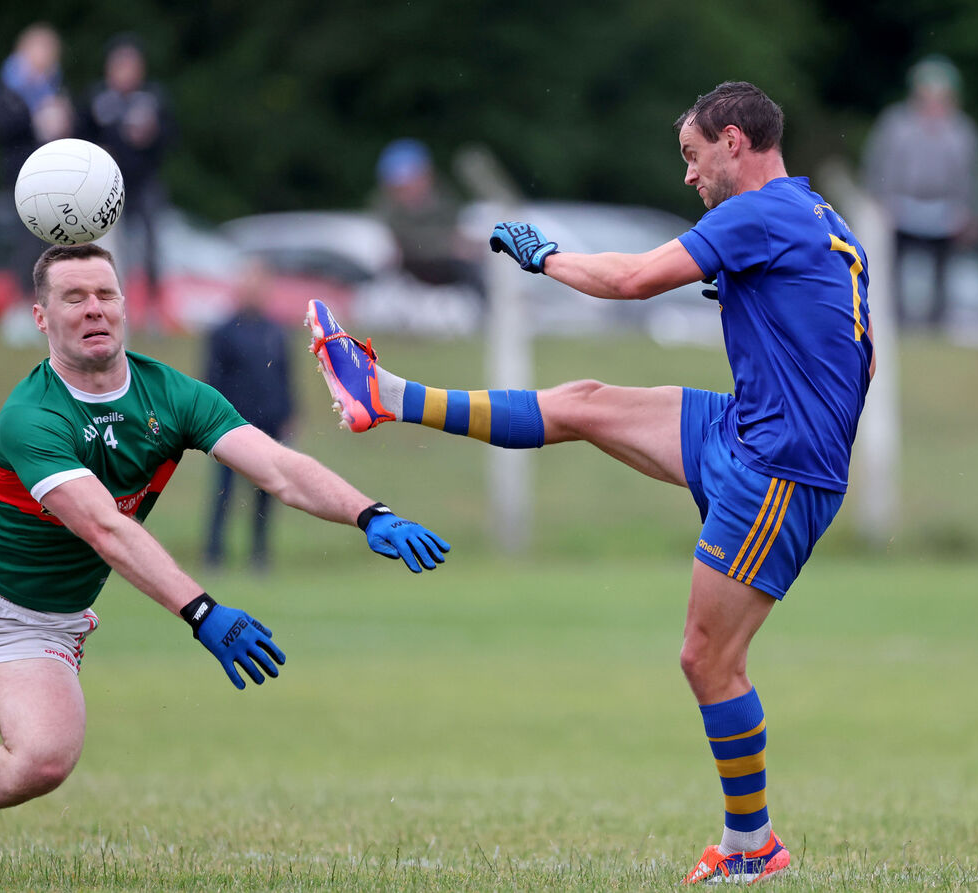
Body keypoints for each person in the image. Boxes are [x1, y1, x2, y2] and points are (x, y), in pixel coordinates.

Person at [306, 81, 874, 885]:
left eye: (691, 155)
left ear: (734, 143)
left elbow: (633, 279)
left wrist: (545, 255)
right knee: (584, 403)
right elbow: (859, 348)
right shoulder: (816, 215)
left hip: (779, 463)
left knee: (707, 660)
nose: (688, 177)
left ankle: (754, 843)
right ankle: (386, 397)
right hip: (751, 429)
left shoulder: (758, 212)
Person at [0, 243, 448, 821]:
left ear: (126, 304)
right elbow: (106, 529)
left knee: (43, 760)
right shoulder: (32, 414)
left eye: (105, 294)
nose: (93, 309)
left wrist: (369, 513)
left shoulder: (174, 396)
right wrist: (202, 612)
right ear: (41, 319)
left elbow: (277, 466)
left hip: (40, 622)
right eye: (73, 298)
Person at [862, 55, 978, 330]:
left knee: (943, 272)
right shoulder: (895, 124)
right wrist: (879, 202)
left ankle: (937, 324)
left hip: (946, 211)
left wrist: (971, 213)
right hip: (900, 208)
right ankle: (898, 322)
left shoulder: (963, 131)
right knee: (894, 269)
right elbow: (876, 165)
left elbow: (974, 177)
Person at [78, 33, 176, 328]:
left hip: (144, 183)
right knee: (108, 251)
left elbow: (172, 136)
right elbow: (80, 136)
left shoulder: (152, 98)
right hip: (107, 187)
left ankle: (154, 312)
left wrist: (153, 137)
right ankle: (110, 308)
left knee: (151, 249)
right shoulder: (97, 98)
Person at [203, 259, 295, 570]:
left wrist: (289, 412)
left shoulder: (275, 331)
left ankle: (259, 555)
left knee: (266, 492)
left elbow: (285, 375)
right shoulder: (224, 332)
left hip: (268, 423)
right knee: (224, 492)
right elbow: (212, 379)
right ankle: (214, 554)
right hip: (232, 426)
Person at [0, 23, 74, 341]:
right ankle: (19, 309)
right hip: (19, 178)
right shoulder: (7, 87)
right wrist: (33, 119)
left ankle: (49, 310)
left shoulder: (55, 87)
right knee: (24, 244)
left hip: (52, 179)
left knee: (50, 245)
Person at [371, 138, 486, 301]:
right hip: (414, 267)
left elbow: (454, 230)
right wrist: (452, 245)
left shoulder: (443, 201)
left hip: (444, 264)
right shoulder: (388, 210)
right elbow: (407, 244)